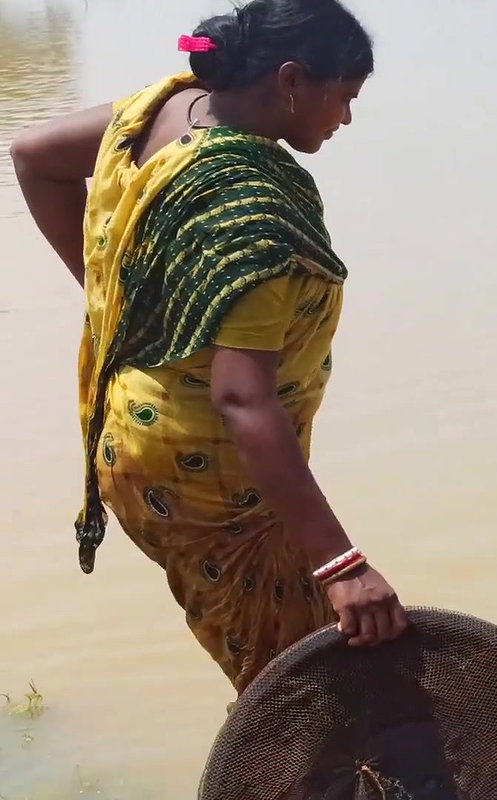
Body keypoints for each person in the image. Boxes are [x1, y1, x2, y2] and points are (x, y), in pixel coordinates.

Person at [8, 0, 408, 694]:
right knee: (298, 692)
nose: (344, 119)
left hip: (137, 440)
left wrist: (118, 300)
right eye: (342, 98)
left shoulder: (164, 109)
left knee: (306, 656)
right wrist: (342, 564)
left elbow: (34, 154)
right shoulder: (251, 210)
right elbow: (241, 397)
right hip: (211, 488)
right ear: (290, 80)